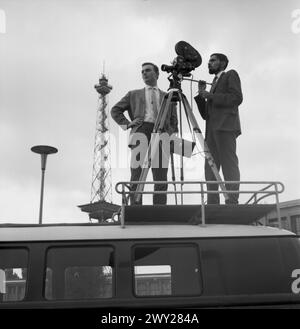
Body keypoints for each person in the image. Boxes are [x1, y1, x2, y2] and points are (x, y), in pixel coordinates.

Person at [111, 62, 178, 205]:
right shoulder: (133, 94)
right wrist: (128, 124)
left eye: (147, 70)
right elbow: (115, 110)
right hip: (141, 131)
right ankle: (135, 206)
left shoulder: (168, 96)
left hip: (161, 133)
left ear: (157, 74)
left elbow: (174, 120)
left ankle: (160, 207)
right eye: (142, 71)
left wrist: (170, 134)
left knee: (160, 174)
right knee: (137, 171)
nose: (144, 73)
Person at [194, 53, 243, 204]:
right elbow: (205, 115)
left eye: (213, 60)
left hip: (226, 127)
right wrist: (202, 95)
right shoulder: (213, 83)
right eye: (209, 61)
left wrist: (210, 95)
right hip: (211, 130)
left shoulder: (230, 74)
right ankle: (212, 202)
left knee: (228, 164)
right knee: (210, 167)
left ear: (223, 63)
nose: (209, 63)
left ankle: (232, 200)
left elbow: (237, 98)